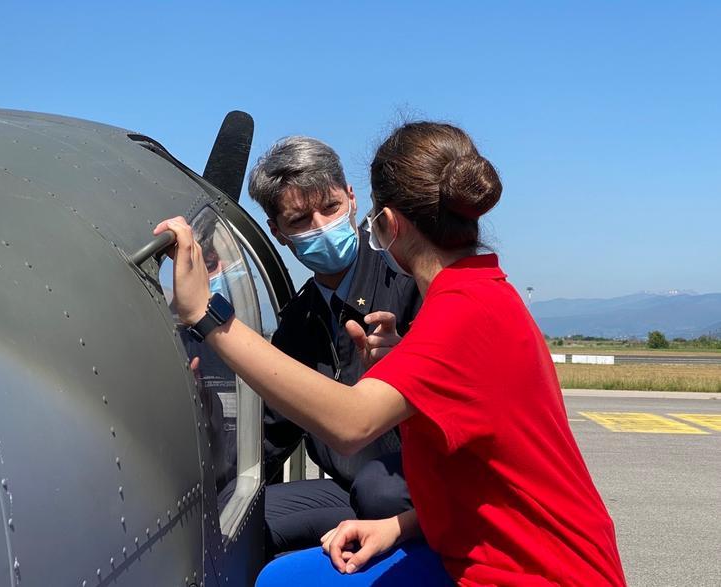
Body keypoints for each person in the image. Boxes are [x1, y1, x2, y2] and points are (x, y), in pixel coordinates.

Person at [155, 121, 626, 586]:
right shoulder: (481, 294)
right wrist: (399, 527)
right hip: (480, 539)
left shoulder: (458, 315)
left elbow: (351, 424)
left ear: (385, 222)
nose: (321, 228)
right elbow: (479, 478)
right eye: (300, 220)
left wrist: (209, 317)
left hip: (533, 571)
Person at [246, 136, 419, 556]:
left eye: (331, 207)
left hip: (414, 491)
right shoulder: (297, 321)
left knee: (380, 490)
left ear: (354, 199)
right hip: (345, 490)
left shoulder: (411, 284)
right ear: (278, 232)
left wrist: (410, 363)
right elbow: (272, 432)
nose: (321, 226)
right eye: (300, 219)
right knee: (237, 523)